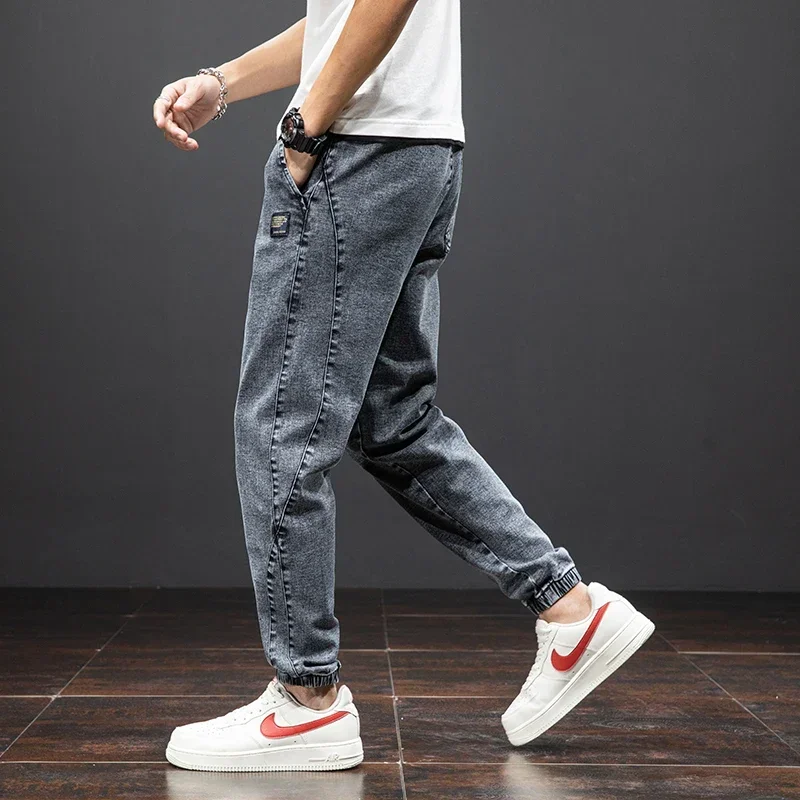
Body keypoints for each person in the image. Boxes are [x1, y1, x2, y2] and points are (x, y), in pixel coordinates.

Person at [152, 0, 655, 773]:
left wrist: (305, 129)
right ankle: (570, 609)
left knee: (283, 426)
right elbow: (344, 17)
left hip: (357, 150)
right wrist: (226, 81)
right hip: (420, 151)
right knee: (395, 420)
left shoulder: (333, 135)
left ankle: (306, 700)